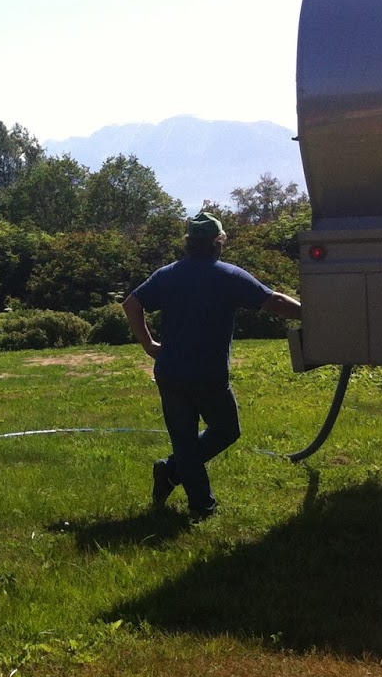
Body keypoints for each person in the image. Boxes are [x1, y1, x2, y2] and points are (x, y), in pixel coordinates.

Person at [122, 211, 302, 519]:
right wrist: (312, 314)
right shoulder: (228, 275)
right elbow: (275, 302)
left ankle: (173, 472)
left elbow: (131, 304)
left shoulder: (167, 274)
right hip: (208, 374)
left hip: (170, 371)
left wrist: (149, 345)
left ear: (188, 242)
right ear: (218, 242)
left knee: (185, 440)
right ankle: (200, 506)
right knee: (226, 430)